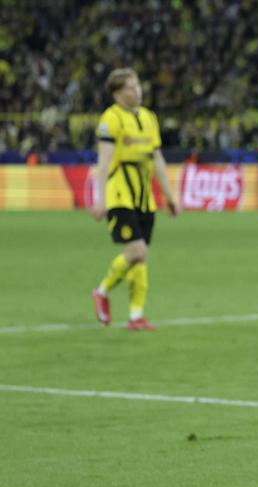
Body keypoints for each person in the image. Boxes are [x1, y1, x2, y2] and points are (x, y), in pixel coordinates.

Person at [90, 68, 178, 330]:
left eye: (138, 85)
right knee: (136, 250)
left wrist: (170, 196)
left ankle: (136, 315)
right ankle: (102, 291)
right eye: (131, 87)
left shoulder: (149, 117)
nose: (137, 90)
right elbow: (104, 162)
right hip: (119, 194)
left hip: (144, 197)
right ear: (117, 93)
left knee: (142, 256)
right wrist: (101, 198)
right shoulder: (110, 119)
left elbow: (157, 159)